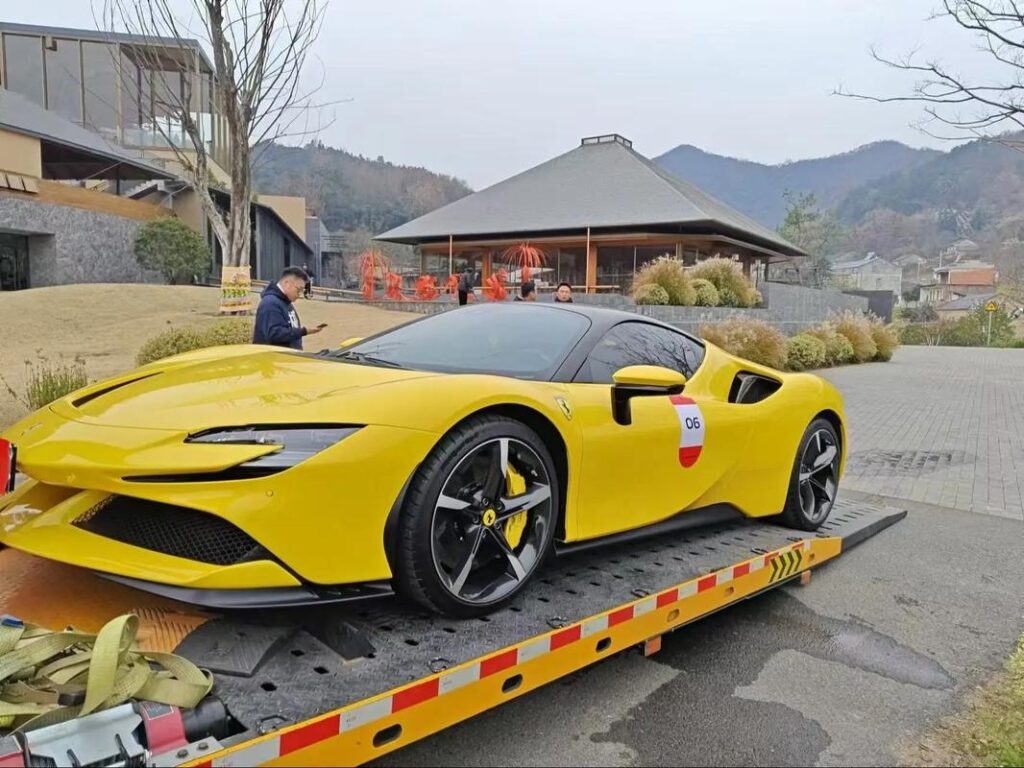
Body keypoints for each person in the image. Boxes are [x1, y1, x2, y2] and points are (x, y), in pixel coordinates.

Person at [253, 266, 324, 350]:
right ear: (287, 283)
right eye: (298, 290)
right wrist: (304, 331)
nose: (299, 294)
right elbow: (274, 334)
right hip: (275, 356)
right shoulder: (270, 303)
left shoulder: (285, 301)